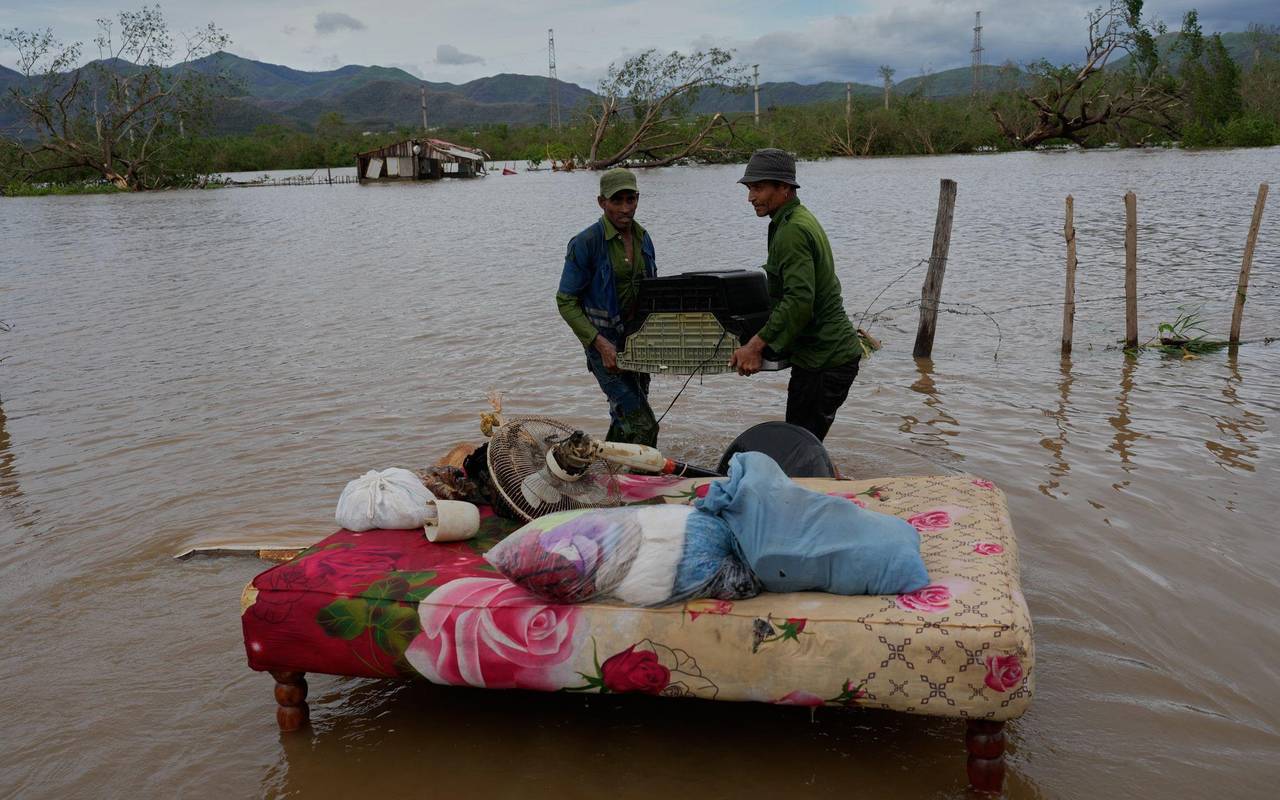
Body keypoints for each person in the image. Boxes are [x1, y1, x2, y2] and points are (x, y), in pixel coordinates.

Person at [729, 148, 861, 442]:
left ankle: (829, 484)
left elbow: (800, 302)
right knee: (803, 442)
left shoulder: (792, 231)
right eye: (750, 188)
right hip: (820, 357)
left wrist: (755, 346)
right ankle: (831, 481)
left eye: (759, 188)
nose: (751, 197)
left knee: (798, 446)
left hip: (825, 359)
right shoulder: (790, 221)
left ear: (784, 188)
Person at [556, 168, 660, 446]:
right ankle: (643, 484)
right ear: (602, 202)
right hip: (602, 347)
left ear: (638, 198)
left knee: (624, 416)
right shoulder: (586, 243)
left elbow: (654, 291)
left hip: (636, 344)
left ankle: (608, 473)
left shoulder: (643, 238)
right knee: (643, 424)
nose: (626, 208)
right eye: (617, 201)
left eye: (631, 199)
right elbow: (565, 301)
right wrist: (600, 345)